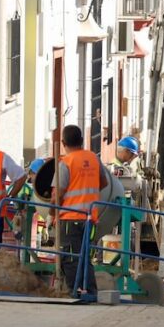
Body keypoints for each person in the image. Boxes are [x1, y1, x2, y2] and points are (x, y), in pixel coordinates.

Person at [52, 125, 110, 295]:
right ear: (82, 140)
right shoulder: (93, 158)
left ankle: (74, 292)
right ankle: (90, 291)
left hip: (70, 218)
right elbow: (104, 182)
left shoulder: (66, 163)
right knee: (84, 258)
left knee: (69, 258)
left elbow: (58, 194)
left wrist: (50, 214)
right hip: (89, 218)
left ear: (63, 143)